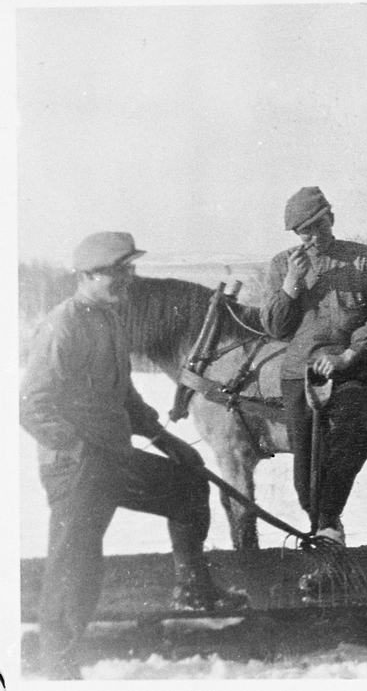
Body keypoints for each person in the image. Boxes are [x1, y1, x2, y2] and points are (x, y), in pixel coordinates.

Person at [20, 232, 247, 680]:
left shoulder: (110, 319)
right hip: (76, 468)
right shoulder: (63, 324)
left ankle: (193, 589)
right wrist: (76, 447)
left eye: (130, 269)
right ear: (86, 276)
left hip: (112, 458)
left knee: (185, 484)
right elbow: (31, 405)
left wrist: (165, 439)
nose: (127, 279)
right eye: (117, 271)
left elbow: (124, 394)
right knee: (75, 562)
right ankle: (57, 666)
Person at [261, 186, 367, 546]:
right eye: (303, 231)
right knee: (304, 461)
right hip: (298, 374)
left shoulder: (364, 260)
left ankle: (328, 522)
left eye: (318, 225)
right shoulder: (281, 265)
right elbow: (276, 328)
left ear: (331, 219)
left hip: (351, 370)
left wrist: (349, 356)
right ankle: (320, 521)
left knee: (346, 441)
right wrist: (291, 285)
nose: (312, 236)